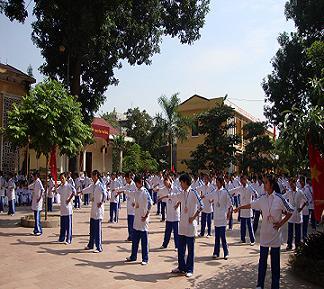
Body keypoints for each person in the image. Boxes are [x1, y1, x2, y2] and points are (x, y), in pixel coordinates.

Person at [234, 174, 293, 289]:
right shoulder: (263, 198)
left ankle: (275, 286)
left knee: (275, 264)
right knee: (262, 262)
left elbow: (291, 210)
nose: (264, 184)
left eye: (266, 182)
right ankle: (260, 284)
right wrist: (239, 208)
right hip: (264, 236)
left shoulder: (279, 198)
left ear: (271, 185)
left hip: (275, 236)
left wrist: (281, 223)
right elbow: (251, 205)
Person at [166, 173, 204, 277]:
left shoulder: (193, 192)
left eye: (181, 182)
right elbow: (174, 196)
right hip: (182, 225)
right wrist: (164, 196)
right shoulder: (181, 193)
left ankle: (190, 269)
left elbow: (202, 205)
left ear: (185, 182)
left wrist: (194, 217)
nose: (180, 184)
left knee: (190, 249)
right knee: (180, 248)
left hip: (191, 226)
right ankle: (181, 267)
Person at [202, 176, 232, 259]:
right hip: (216, 217)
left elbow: (230, 203)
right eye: (216, 182)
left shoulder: (225, 192)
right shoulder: (214, 192)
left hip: (223, 217)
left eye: (218, 182)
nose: (217, 184)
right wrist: (202, 196)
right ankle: (216, 252)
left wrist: (229, 213)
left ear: (221, 183)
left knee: (223, 236)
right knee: (217, 236)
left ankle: (226, 252)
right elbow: (208, 196)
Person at [125, 175, 153, 265]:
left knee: (144, 241)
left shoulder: (145, 192)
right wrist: (134, 203)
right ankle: (133, 256)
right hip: (136, 219)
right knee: (135, 240)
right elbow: (131, 194)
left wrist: (146, 215)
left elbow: (150, 204)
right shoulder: (137, 191)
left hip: (143, 220)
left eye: (139, 182)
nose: (138, 184)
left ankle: (145, 258)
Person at [82, 170, 107, 253]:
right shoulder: (93, 185)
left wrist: (102, 201)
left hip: (99, 210)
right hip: (93, 209)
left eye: (93, 176)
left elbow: (105, 195)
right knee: (92, 228)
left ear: (96, 176)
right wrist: (80, 192)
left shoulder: (101, 185)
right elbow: (87, 189)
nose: (92, 177)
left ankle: (99, 247)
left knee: (98, 229)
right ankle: (91, 244)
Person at [231, 175, 257, 245]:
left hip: (248, 210)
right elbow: (233, 191)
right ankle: (243, 239)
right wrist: (228, 192)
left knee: (249, 226)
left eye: (242, 180)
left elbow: (256, 195)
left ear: (245, 180)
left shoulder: (250, 188)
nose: (241, 182)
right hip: (242, 210)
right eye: (240, 180)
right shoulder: (240, 188)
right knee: (242, 226)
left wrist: (253, 203)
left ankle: (252, 240)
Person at [283, 178, 307, 250]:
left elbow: (305, 200)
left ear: (295, 183)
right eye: (290, 184)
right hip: (290, 214)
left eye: (292, 184)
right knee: (290, 231)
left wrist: (301, 208)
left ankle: (297, 245)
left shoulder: (300, 192)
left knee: (298, 231)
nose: (291, 186)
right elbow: (283, 198)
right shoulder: (289, 192)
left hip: (297, 214)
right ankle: (289, 245)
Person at [159, 175, 180, 250]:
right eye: (164, 183)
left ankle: (177, 246)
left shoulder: (176, 188)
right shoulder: (164, 189)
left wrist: (178, 204)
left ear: (169, 181)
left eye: (166, 182)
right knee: (167, 231)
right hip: (169, 212)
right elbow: (160, 193)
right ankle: (165, 244)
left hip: (175, 213)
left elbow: (180, 197)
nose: (165, 184)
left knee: (176, 232)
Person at [115, 172, 137, 241]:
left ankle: (133, 236)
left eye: (127, 179)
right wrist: (117, 190)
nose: (126, 180)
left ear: (130, 178)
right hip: (129, 206)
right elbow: (123, 188)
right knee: (129, 223)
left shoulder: (134, 185)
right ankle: (130, 236)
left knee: (133, 222)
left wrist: (125, 191)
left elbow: (134, 194)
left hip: (133, 206)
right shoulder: (128, 185)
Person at [57, 173, 75, 244]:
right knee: (63, 225)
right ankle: (62, 238)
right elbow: (57, 191)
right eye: (60, 178)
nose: (61, 180)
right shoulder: (61, 187)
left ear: (66, 178)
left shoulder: (69, 186)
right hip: (62, 208)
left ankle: (69, 239)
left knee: (68, 225)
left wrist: (69, 199)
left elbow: (74, 192)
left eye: (63, 178)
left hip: (68, 209)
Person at [28, 171, 45, 236]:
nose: (32, 177)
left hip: (38, 202)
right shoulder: (35, 182)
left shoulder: (39, 182)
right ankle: (35, 230)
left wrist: (39, 198)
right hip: (35, 201)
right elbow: (29, 187)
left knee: (37, 217)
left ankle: (39, 230)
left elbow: (42, 190)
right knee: (35, 217)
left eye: (33, 176)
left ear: (36, 176)